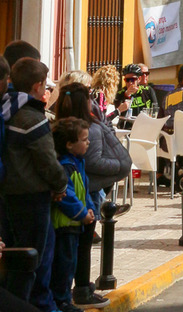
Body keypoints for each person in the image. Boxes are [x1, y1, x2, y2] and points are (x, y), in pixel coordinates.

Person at [1, 57, 69, 311]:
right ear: (37, 86)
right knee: (33, 259)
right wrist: (60, 185)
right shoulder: (32, 117)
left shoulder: (5, 110)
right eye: (45, 85)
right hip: (32, 197)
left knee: (13, 257)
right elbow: (47, 162)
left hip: (7, 194)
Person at [53, 83, 125, 308]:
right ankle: (71, 296)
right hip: (73, 216)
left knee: (71, 256)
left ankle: (71, 295)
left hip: (80, 210)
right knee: (70, 258)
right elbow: (69, 193)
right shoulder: (75, 150)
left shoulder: (64, 132)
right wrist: (84, 212)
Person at [50, 119, 95, 312]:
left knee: (71, 262)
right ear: (69, 144)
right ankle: (62, 301)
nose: (88, 143)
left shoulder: (78, 163)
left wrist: (90, 209)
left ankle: (64, 299)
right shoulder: (66, 165)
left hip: (75, 225)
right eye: (84, 139)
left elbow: (83, 190)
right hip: (65, 225)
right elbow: (67, 195)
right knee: (64, 266)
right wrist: (82, 213)